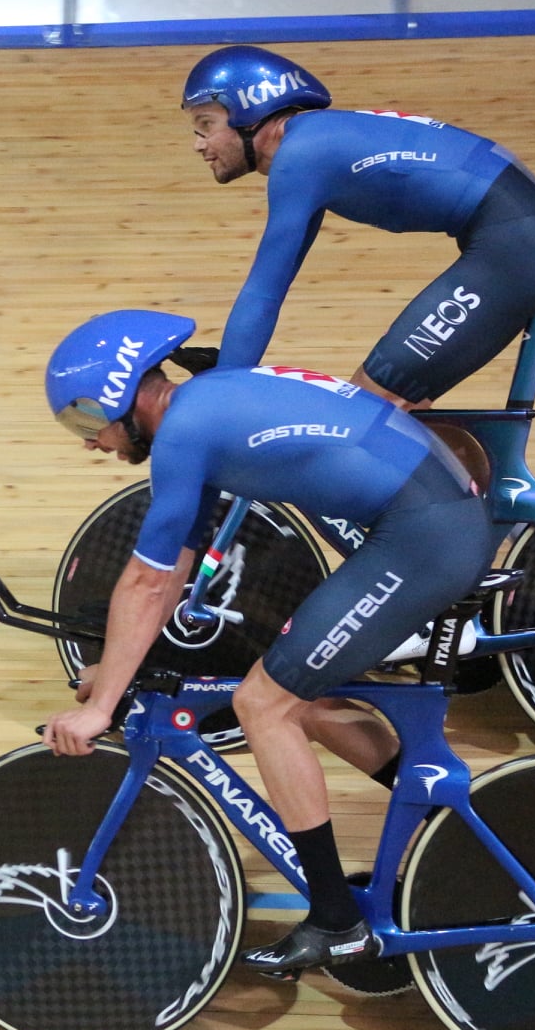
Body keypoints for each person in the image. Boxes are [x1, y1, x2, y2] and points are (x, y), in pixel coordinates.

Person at [39, 309, 500, 975]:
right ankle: (459, 829)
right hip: (436, 521)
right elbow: (171, 574)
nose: (90, 443)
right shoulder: (205, 406)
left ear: (122, 394)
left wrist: (100, 708)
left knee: (263, 703)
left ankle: (337, 921)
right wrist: (114, 673)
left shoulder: (183, 434)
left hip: (423, 537)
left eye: (86, 420)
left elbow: (144, 582)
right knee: (302, 699)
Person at [180, 44, 535, 410]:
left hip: (522, 247)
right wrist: (232, 369)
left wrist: (224, 390)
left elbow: (264, 292)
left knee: (365, 410)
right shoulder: (317, 143)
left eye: (207, 124)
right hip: (529, 239)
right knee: (395, 412)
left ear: (249, 110)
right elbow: (276, 284)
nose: (199, 143)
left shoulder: (302, 156)